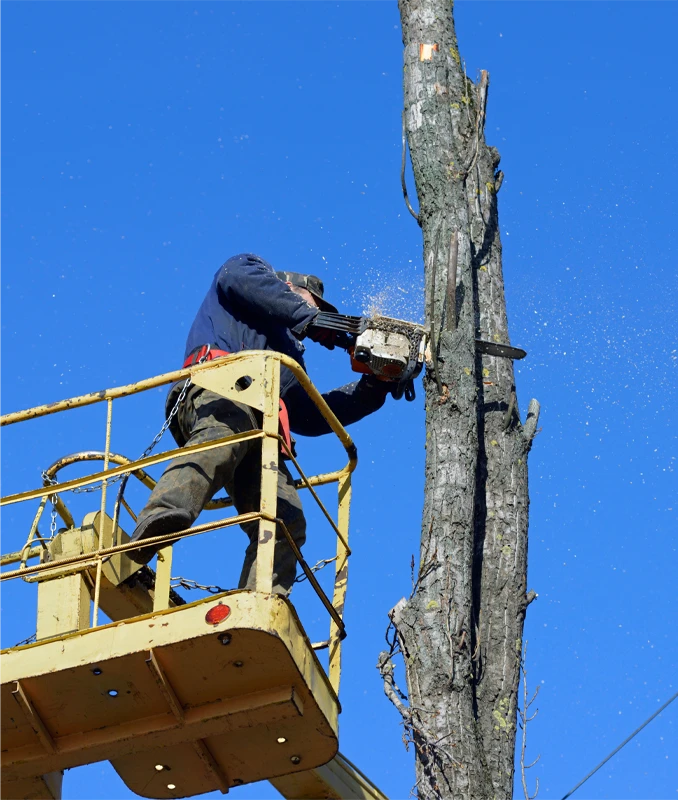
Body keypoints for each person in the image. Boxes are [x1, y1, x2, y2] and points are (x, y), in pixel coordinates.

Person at [129, 253, 391, 595]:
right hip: (217, 392)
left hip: (259, 430)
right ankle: (155, 524)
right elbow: (235, 276)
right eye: (314, 305)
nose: (318, 316)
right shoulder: (247, 272)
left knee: (286, 517)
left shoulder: (286, 357)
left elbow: (309, 415)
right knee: (226, 431)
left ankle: (261, 598)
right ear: (289, 289)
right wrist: (311, 320)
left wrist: (374, 387)